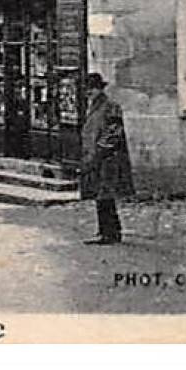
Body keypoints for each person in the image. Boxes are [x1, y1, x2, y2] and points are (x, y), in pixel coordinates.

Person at [79, 72, 134, 245]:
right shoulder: (93, 107)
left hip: (109, 158)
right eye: (87, 89)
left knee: (105, 196)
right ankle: (106, 230)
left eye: (92, 89)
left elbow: (113, 133)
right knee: (100, 195)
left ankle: (111, 233)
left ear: (100, 89)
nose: (89, 92)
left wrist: (98, 154)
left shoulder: (111, 106)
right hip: (97, 157)